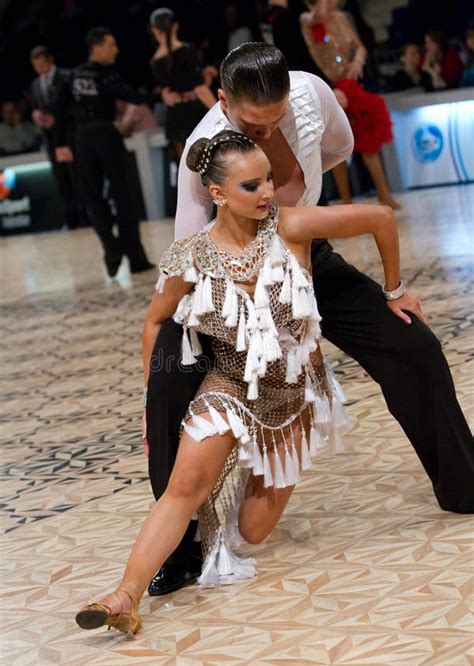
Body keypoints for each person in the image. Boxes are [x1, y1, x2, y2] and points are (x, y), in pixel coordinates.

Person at [146, 42, 474, 598]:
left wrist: (392, 287)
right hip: (226, 283)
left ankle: (464, 484)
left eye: (275, 120)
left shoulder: (312, 94)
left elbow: (340, 149)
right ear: (224, 101)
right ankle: (182, 551)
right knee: (167, 396)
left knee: (412, 343)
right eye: (254, 124)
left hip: (304, 257)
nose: (268, 134)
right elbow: (187, 248)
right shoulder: (203, 149)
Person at [76, 129, 406, 636]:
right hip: (228, 386)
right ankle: (125, 596)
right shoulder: (190, 256)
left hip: (293, 399)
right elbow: (153, 324)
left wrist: (395, 290)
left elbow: (381, 218)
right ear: (218, 194)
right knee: (184, 485)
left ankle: (256, 471)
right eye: (252, 186)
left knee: (252, 531)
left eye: (269, 179)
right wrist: (152, 402)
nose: (268, 192)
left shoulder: (292, 227)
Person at [55, 27, 154, 277]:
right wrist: (153, 91)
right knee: (124, 197)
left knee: (92, 198)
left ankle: (111, 250)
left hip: (83, 139)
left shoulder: (72, 76)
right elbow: (132, 95)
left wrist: (61, 144)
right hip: (106, 135)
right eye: (112, 45)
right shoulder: (107, 75)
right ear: (96, 46)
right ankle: (136, 259)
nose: (116, 50)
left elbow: (57, 112)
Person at [300, 0, 399, 209]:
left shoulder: (341, 18)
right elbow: (316, 33)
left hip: (351, 85)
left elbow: (359, 46)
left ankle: (384, 193)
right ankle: (346, 200)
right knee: (334, 144)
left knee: (368, 140)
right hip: (330, 86)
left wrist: (358, 62)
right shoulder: (308, 20)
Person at [149, 8, 216, 162]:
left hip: (175, 117)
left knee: (186, 168)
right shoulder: (187, 50)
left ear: (154, 30)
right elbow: (199, 88)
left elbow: (171, 90)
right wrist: (219, 112)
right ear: (175, 26)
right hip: (196, 113)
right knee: (211, 163)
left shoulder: (155, 61)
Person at [30, 46, 83, 230]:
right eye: (36, 66)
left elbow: (75, 106)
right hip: (51, 139)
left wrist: (57, 117)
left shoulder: (66, 76)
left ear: (50, 60)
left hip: (69, 137)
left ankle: (86, 217)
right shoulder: (36, 84)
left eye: (43, 64)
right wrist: (37, 115)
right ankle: (71, 219)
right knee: (61, 180)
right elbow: (38, 106)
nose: (40, 69)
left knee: (77, 176)